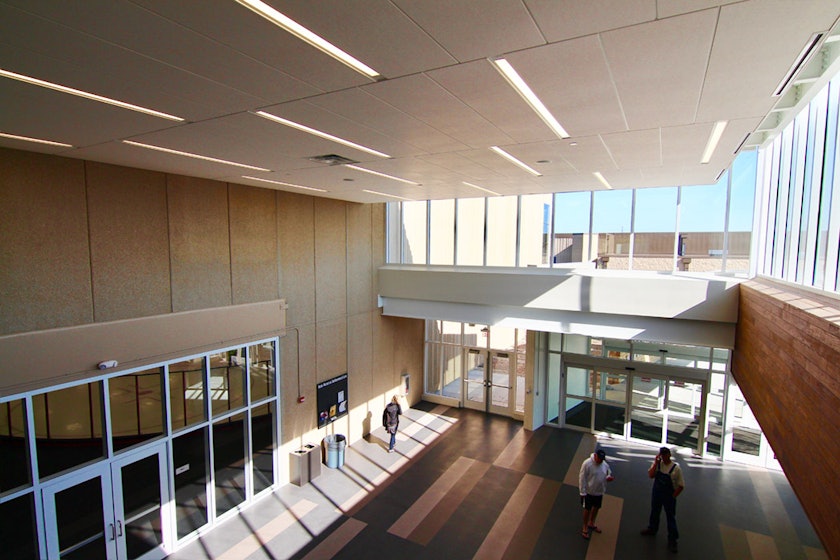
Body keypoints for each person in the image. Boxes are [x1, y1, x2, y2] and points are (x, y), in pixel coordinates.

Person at [641, 447, 685, 553]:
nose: (664, 457)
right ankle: (652, 528)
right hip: (657, 494)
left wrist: (673, 496)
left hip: (668, 496)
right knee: (655, 512)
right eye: (662, 455)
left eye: (665, 455)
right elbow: (651, 475)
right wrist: (656, 463)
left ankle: (672, 540)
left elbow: (681, 485)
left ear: (669, 455)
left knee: (670, 517)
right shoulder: (658, 465)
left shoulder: (676, 468)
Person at [578, 448, 614, 539]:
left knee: (597, 507)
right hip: (589, 492)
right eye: (599, 459)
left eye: (602, 459)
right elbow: (582, 478)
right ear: (595, 456)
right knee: (587, 509)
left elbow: (608, 472)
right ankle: (585, 526)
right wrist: (582, 492)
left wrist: (608, 477)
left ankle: (591, 522)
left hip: (599, 491)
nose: (600, 461)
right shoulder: (587, 464)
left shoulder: (604, 464)